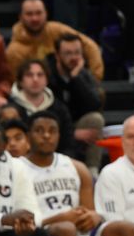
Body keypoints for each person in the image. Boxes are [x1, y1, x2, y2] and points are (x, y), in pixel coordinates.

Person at [45, 33, 104, 173]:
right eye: (68, 53)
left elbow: (95, 105)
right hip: (54, 128)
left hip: (75, 124)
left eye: (77, 52)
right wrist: (72, 133)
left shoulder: (82, 73)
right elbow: (48, 113)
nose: (74, 57)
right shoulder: (47, 75)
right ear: (57, 55)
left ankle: (92, 173)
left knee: (95, 119)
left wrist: (76, 78)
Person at [6, 0, 103, 81]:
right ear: (20, 17)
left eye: (39, 13)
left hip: (67, 87)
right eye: (29, 14)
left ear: (46, 14)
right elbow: (15, 83)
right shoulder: (14, 51)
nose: (34, 18)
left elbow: (90, 46)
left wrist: (94, 80)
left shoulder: (56, 30)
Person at [5, 59, 75, 156]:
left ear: (47, 80)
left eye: (40, 75)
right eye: (29, 75)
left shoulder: (59, 109)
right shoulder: (10, 109)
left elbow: (68, 143)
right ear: (20, 81)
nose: (35, 79)